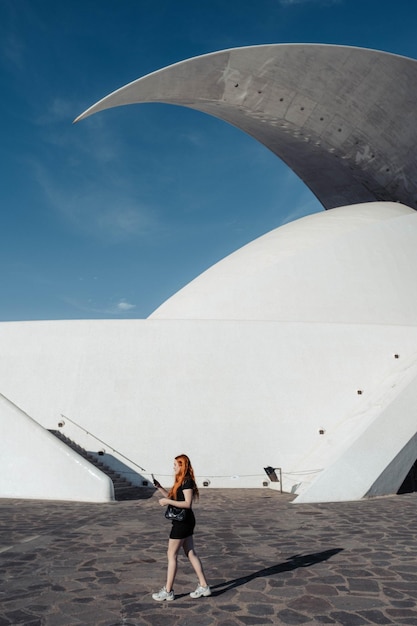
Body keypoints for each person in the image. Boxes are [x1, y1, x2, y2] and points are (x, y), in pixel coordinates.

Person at [152, 454, 211, 602]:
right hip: (185, 521)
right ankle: (204, 586)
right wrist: (160, 488)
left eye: (175, 464)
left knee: (171, 555)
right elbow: (174, 499)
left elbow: (187, 503)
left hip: (182, 523)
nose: (173, 467)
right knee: (190, 553)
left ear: (182, 465)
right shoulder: (181, 481)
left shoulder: (187, 482)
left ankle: (168, 591)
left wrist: (165, 501)